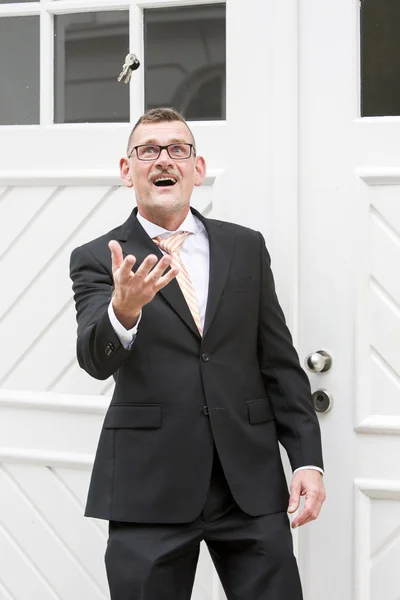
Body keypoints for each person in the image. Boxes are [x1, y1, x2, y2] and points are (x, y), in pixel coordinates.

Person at [70, 107, 326, 600]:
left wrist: (307, 461)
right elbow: (95, 359)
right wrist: (123, 312)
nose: (163, 159)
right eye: (148, 150)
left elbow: (278, 362)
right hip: (149, 488)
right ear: (128, 171)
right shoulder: (99, 258)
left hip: (248, 487)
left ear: (197, 167)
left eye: (177, 149)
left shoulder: (245, 247)